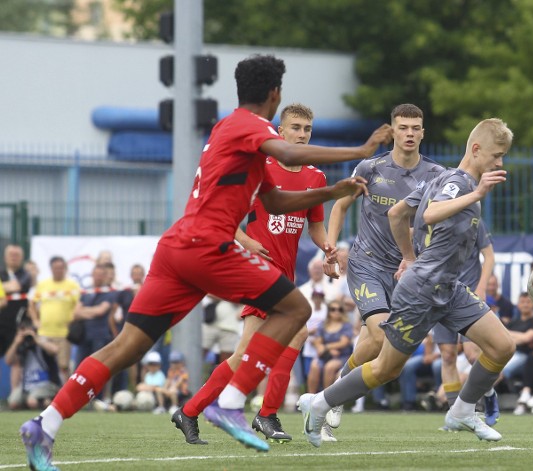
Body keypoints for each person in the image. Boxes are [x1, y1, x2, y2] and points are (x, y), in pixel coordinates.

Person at [20, 54, 392, 469]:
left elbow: (274, 199)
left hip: (177, 247)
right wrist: (360, 149)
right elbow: (286, 150)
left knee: (126, 347)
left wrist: (330, 191)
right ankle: (230, 404)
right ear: (275, 94)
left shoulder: (230, 130)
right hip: (206, 245)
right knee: (296, 309)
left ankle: (45, 424)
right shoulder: (253, 127)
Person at [299, 118, 515, 447]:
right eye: (497, 155)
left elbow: (397, 213)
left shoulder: (439, 177)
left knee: (502, 346)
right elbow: (430, 214)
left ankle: (462, 410)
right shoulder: (459, 183)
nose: (500, 162)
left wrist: (409, 256)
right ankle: (319, 404)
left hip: (448, 288)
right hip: (421, 290)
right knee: (386, 367)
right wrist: (478, 194)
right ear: (476, 149)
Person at [173, 103, 339, 445]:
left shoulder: (315, 176)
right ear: (281, 131)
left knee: (248, 351)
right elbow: (229, 219)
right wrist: (248, 242)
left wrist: (328, 248)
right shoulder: (259, 169)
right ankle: (266, 413)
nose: (302, 134)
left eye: (307, 129)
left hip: (284, 275)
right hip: (258, 270)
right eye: (295, 128)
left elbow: (316, 225)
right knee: (293, 335)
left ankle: (191, 410)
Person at [321, 103, 445, 431]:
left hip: (408, 274)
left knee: (386, 355)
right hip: (368, 264)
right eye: (403, 127)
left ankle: (332, 391)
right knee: (378, 337)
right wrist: (331, 247)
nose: (409, 133)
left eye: (415, 128)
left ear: (423, 133)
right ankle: (337, 391)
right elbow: (339, 205)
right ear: (392, 131)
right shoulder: (371, 167)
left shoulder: (436, 176)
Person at [432, 218, 498, 425]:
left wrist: (482, 287)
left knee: (471, 354)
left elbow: (489, 256)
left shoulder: (472, 219)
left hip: (468, 294)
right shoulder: (430, 218)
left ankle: (488, 394)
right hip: (440, 294)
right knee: (448, 355)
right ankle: (455, 415)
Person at [28, 257, 80, 382]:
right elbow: (32, 304)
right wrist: (35, 320)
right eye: (56, 268)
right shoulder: (43, 285)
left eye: (61, 268)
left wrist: (72, 319)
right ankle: (50, 394)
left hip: (64, 334)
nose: (59, 270)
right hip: (44, 333)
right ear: (51, 269)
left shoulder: (72, 285)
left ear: (65, 269)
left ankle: (66, 395)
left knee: (63, 366)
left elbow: (78, 305)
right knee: (46, 365)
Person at [73, 264, 119, 384]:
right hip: (84, 337)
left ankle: (97, 398)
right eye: (96, 275)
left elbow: (101, 311)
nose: (98, 278)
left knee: (97, 370)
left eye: (100, 275)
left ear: (104, 276)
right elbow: (76, 312)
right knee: (79, 369)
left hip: (99, 337)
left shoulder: (109, 292)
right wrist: (92, 312)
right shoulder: (86, 291)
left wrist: (85, 311)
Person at [5, 317, 60, 410]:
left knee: (32, 401)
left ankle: (49, 401)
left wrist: (36, 339)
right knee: (13, 402)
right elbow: (8, 361)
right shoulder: (21, 346)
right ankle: (44, 402)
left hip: (46, 383)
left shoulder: (41, 341)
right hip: (26, 385)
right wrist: (16, 343)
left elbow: (55, 350)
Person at [307, 299, 354, 394]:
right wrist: (323, 349)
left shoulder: (346, 325)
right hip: (325, 356)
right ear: (329, 311)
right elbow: (317, 341)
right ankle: (310, 397)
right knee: (314, 365)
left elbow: (343, 343)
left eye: (339, 309)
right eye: (333, 309)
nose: (336, 312)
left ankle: (326, 397)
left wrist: (326, 347)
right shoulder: (323, 325)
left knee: (330, 367)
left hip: (342, 357)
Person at [2, 244, 33, 363]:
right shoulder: (1, 272)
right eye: (11, 255)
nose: (14, 257)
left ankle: (15, 383)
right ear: (5, 257)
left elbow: (16, 286)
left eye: (17, 255)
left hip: (18, 324)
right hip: (1, 321)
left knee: (15, 361)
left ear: (22, 258)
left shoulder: (25, 274)